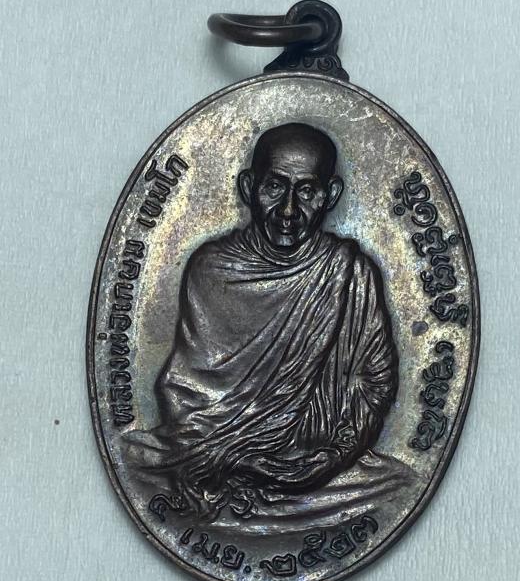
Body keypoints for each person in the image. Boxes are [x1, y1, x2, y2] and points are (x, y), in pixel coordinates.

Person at [126, 123, 412, 525]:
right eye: (274, 187)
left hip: (320, 463)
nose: (289, 210)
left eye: (307, 191)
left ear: (331, 196)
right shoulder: (213, 269)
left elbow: (375, 383)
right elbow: (185, 392)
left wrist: (329, 458)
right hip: (214, 454)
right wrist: (234, 454)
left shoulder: (350, 274)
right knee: (137, 461)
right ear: (248, 188)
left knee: (399, 483)